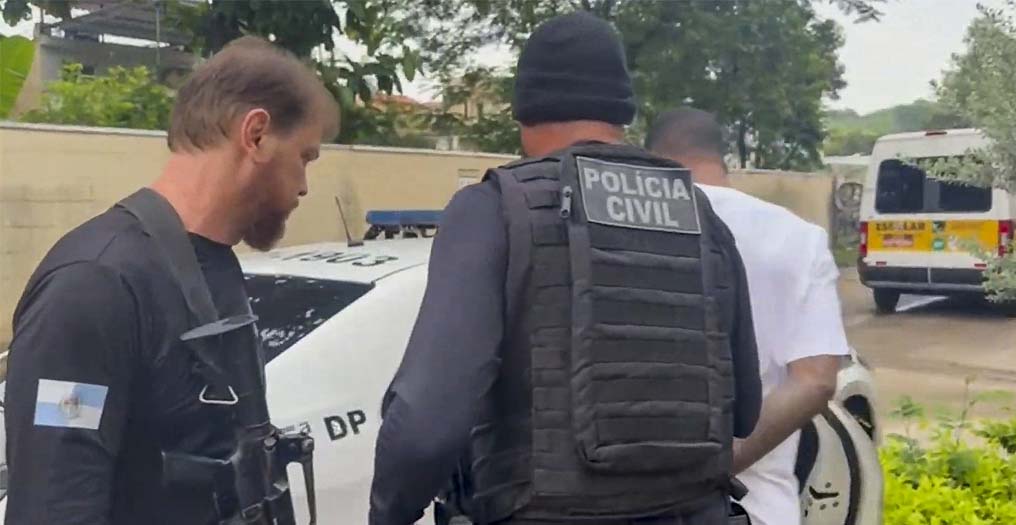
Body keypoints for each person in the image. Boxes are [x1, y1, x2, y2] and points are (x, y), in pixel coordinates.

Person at [369, 12, 761, 525]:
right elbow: (745, 410)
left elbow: (425, 423)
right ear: (621, 109)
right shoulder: (700, 216)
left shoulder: (493, 209)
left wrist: (388, 514)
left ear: (524, 110)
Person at [4, 36, 338, 525]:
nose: (305, 185)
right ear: (256, 135)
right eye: (305, 157)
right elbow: (54, 508)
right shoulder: (94, 285)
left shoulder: (214, 265)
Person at [646, 107, 849, 525]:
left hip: (630, 502)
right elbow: (816, 380)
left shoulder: (618, 230)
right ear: (722, 161)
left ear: (651, 160)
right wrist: (720, 464)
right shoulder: (799, 238)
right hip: (757, 509)